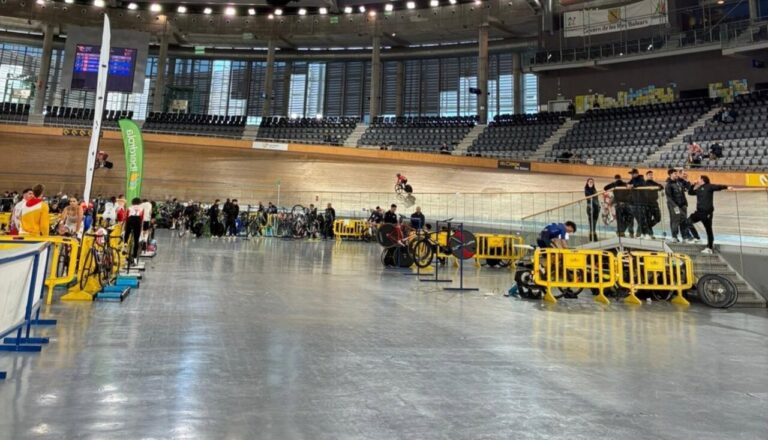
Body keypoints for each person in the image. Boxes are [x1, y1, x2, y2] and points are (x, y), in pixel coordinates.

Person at [687, 175, 731, 253]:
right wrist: (693, 184)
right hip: (699, 212)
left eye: (699, 179)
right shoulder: (699, 188)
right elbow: (690, 193)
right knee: (688, 222)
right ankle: (696, 238)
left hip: (707, 212)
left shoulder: (709, 186)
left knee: (708, 229)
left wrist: (727, 187)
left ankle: (709, 247)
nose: (697, 180)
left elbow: (718, 187)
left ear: (702, 180)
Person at [665, 169, 692, 243]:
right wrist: (675, 207)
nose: (676, 175)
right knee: (675, 221)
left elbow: (689, 188)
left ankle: (685, 237)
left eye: (677, 173)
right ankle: (674, 237)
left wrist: (686, 180)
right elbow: (669, 198)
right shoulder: (668, 185)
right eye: (675, 173)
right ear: (670, 174)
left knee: (684, 221)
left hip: (683, 205)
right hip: (675, 207)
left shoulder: (679, 182)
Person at [637, 170, 663, 238]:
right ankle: (649, 233)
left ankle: (646, 227)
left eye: (652, 175)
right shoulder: (644, 183)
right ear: (647, 176)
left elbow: (661, 187)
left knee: (658, 218)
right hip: (647, 204)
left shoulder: (654, 183)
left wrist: (657, 186)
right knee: (648, 218)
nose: (651, 176)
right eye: (649, 175)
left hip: (654, 203)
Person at [123, 198, 144, 264]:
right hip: (137, 221)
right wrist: (141, 228)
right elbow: (142, 218)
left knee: (127, 232)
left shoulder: (129, 207)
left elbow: (126, 217)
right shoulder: (141, 208)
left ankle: (125, 243)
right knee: (136, 240)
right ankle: (135, 258)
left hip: (130, 220)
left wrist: (125, 226)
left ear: (132, 202)